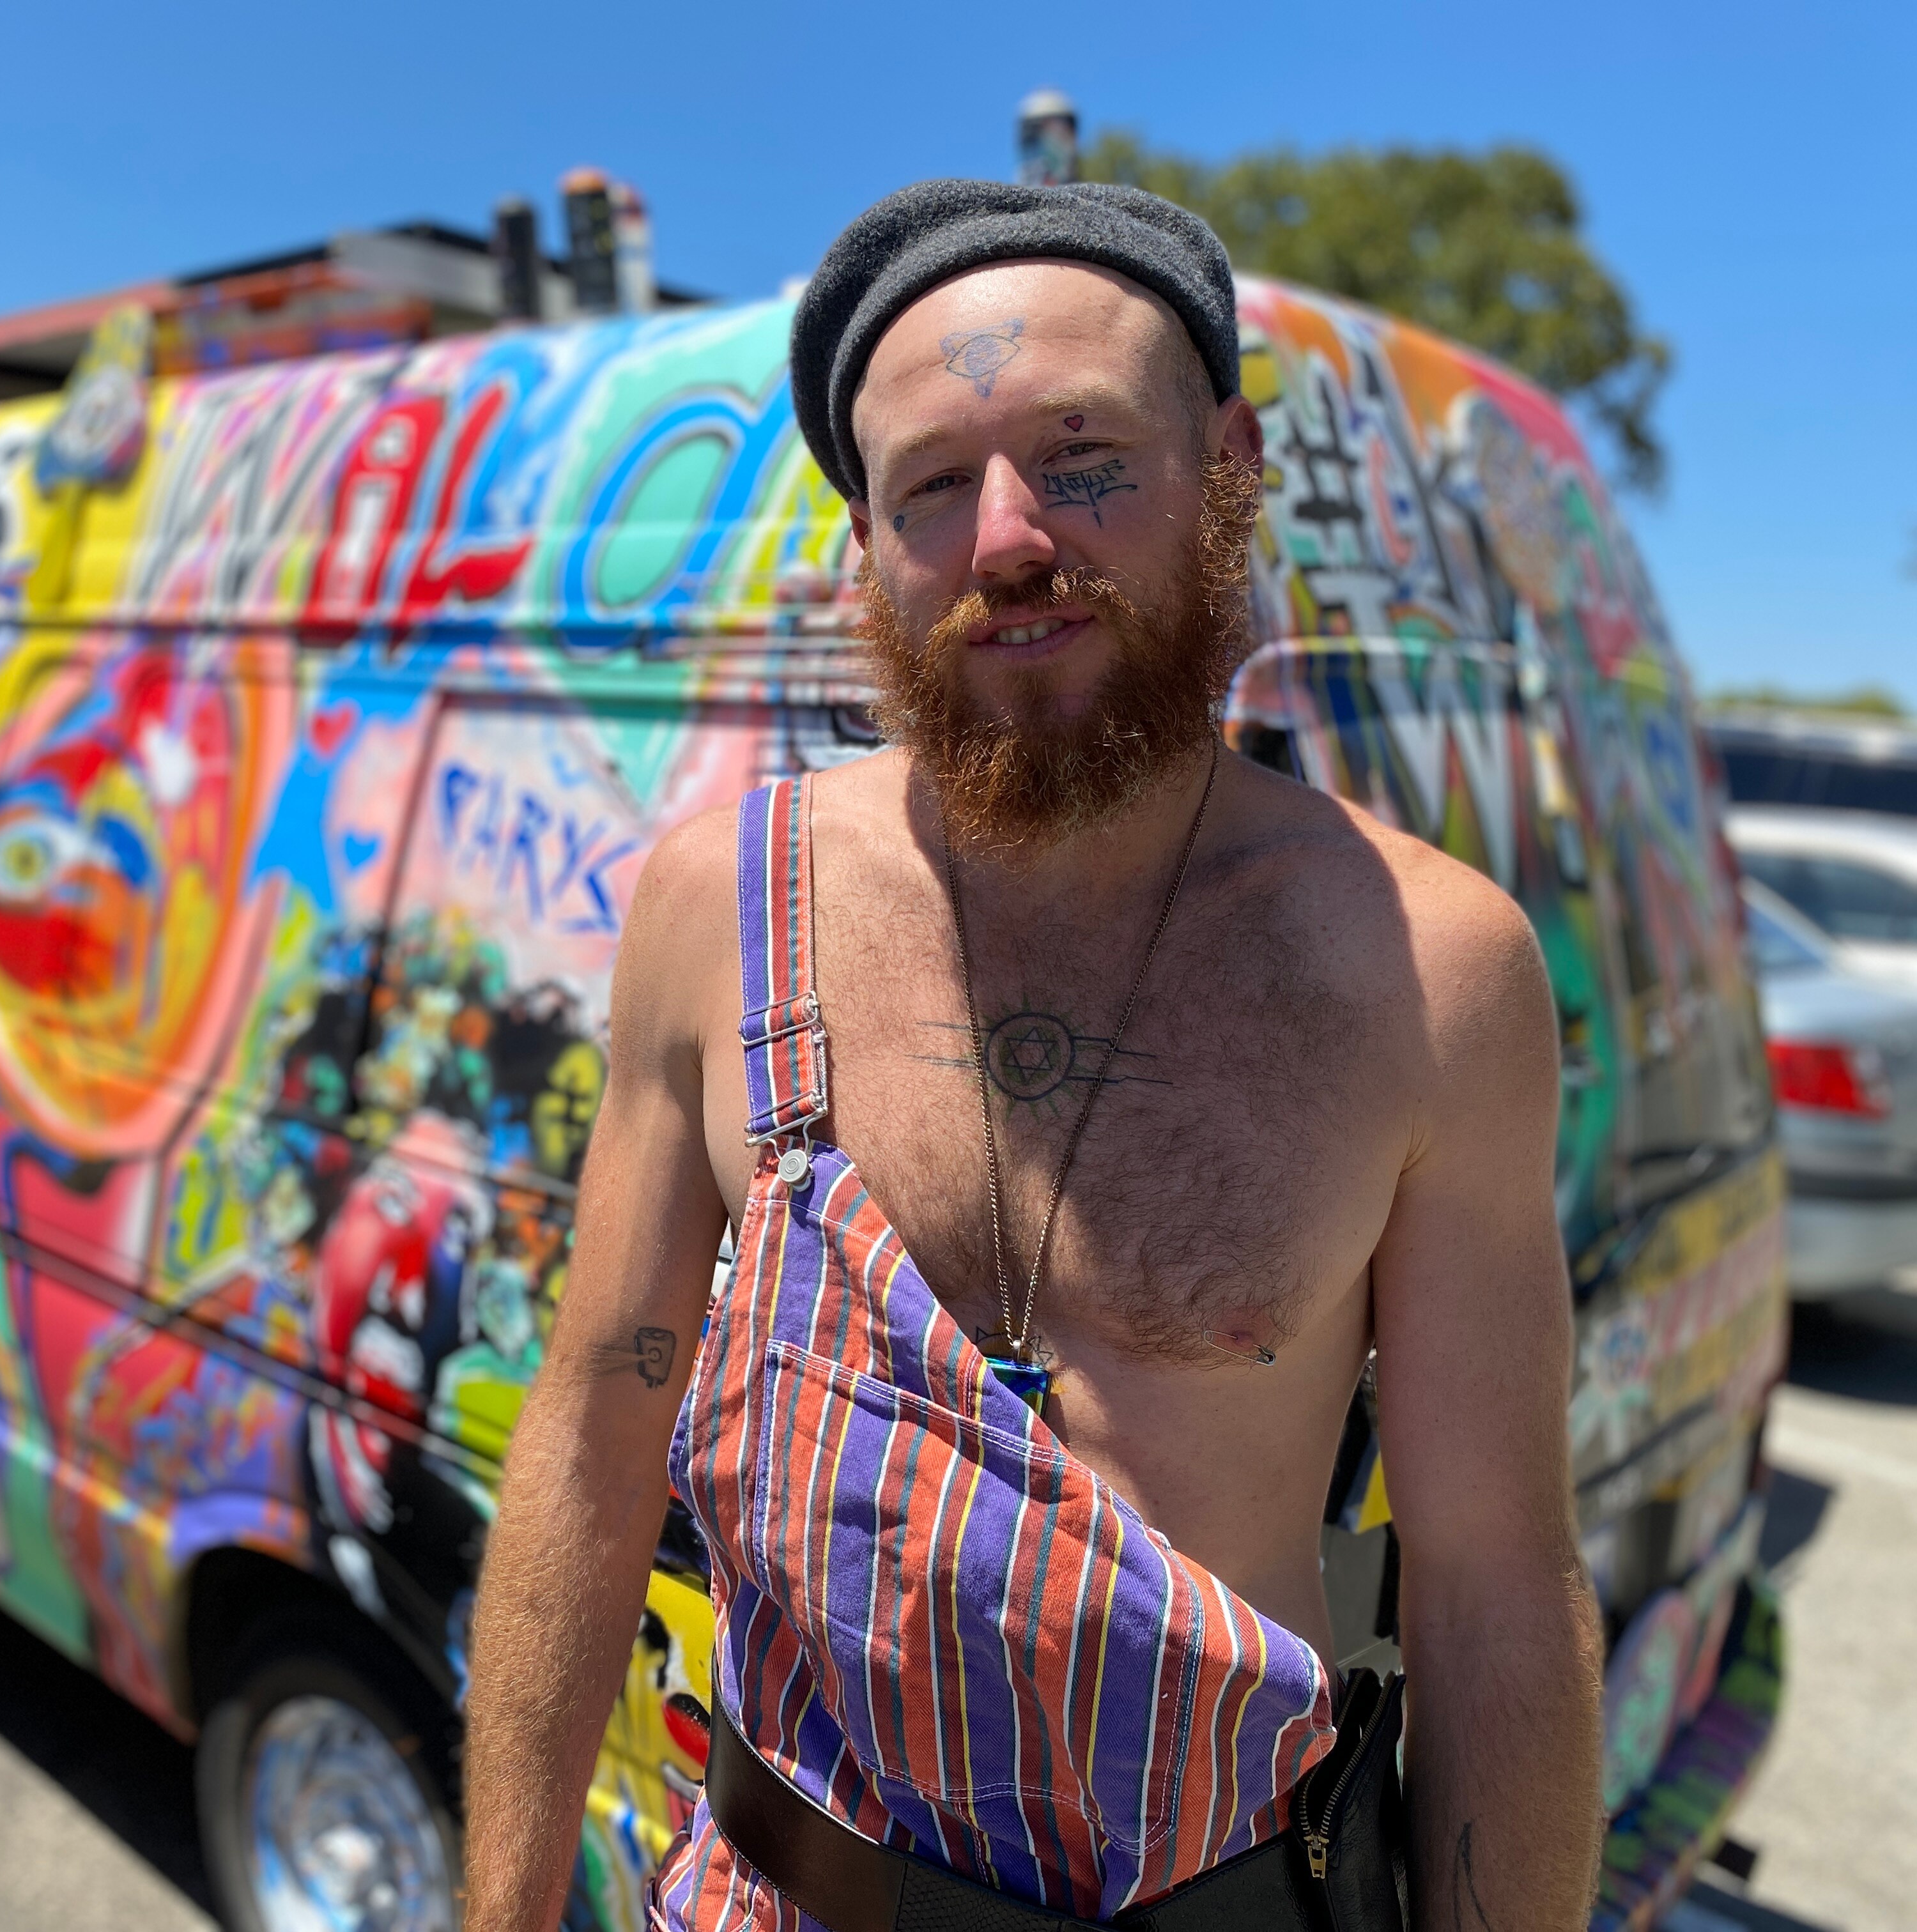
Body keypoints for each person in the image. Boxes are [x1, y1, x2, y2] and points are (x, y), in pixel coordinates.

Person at [465, 180, 1602, 1932]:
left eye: (1083, 459)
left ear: (1228, 468)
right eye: (933, 483)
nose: (1007, 537)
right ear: (865, 540)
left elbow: (1497, 1589)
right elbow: (591, 1439)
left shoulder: (1426, 972)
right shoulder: (721, 905)